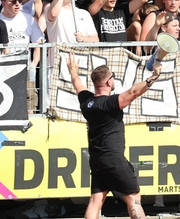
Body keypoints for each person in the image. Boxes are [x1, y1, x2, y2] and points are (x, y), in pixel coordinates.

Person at [67, 55, 161, 219]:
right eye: (113, 77)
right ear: (109, 82)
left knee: (96, 200)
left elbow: (78, 84)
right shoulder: (109, 103)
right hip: (113, 159)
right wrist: (153, 76)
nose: (114, 79)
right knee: (133, 198)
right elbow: (133, 92)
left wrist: (73, 71)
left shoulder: (87, 102)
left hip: (97, 160)